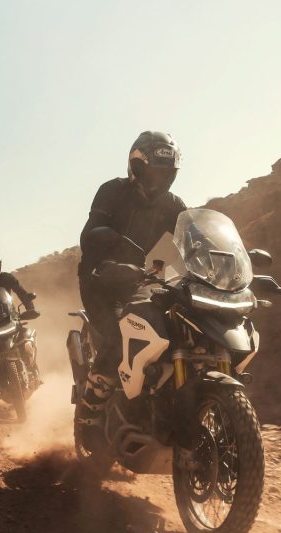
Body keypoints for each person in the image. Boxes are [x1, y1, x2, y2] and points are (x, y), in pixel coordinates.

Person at [76, 131, 187, 424]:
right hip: (101, 279)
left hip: (147, 281)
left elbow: (191, 242)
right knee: (118, 336)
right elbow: (90, 234)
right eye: (154, 171)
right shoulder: (112, 191)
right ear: (137, 167)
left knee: (182, 328)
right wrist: (108, 261)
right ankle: (91, 412)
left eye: (166, 173)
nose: (160, 179)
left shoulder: (174, 205)